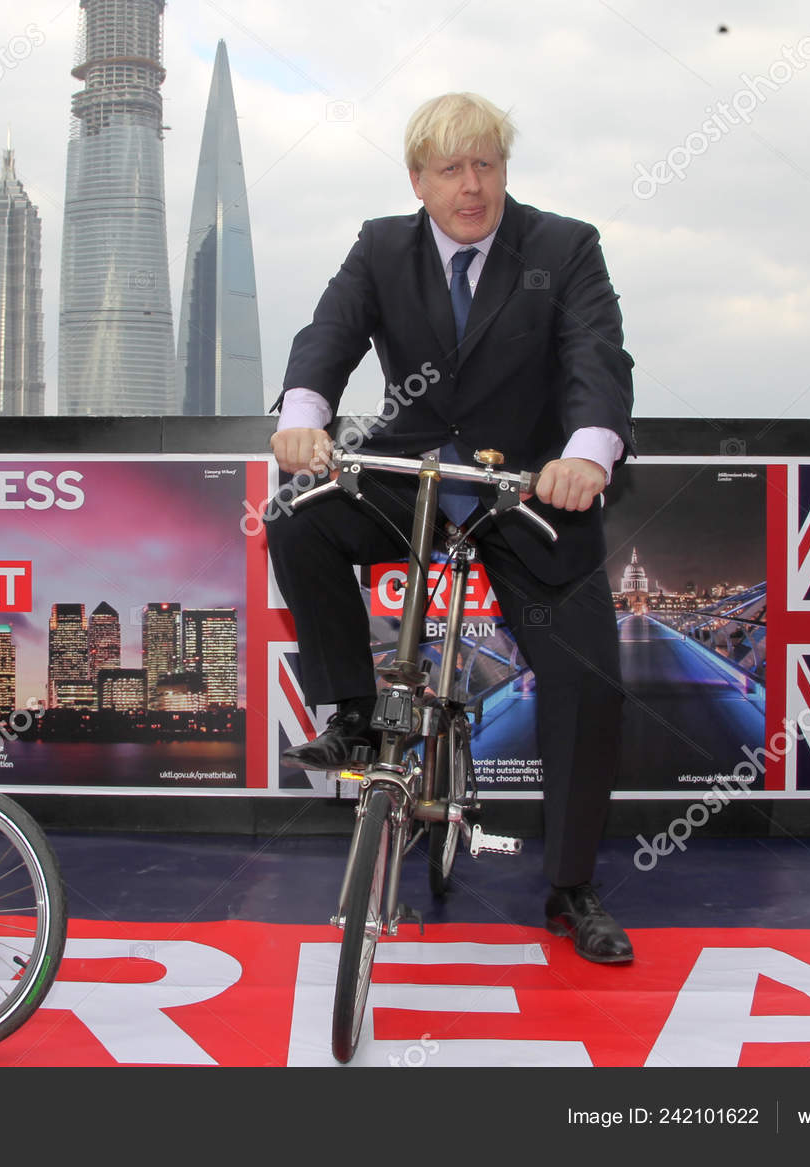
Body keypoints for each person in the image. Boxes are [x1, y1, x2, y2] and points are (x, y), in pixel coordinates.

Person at [266, 93, 636, 963]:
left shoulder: (563, 245)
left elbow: (597, 356)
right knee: (295, 520)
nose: (472, 187)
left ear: (504, 168)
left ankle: (572, 886)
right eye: (451, 170)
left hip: (532, 492)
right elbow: (329, 333)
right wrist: (304, 414)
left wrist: (586, 453)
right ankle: (356, 711)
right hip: (417, 478)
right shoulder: (381, 245)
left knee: (585, 686)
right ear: (417, 180)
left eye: (487, 166)